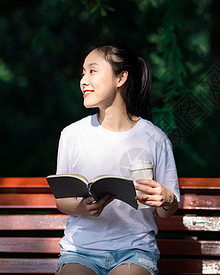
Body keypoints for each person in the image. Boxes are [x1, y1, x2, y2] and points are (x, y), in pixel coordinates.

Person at [54, 41, 180, 275]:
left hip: (135, 251)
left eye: (92, 71)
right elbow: (62, 201)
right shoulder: (72, 135)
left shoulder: (154, 138)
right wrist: (82, 209)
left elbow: (165, 211)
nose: (83, 80)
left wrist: (167, 198)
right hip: (80, 250)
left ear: (121, 78)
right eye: (83, 73)